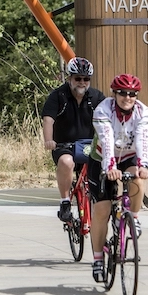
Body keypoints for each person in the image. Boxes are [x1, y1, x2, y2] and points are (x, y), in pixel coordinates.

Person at [87, 73, 148, 284]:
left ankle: (132, 218)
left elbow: (144, 139)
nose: (128, 97)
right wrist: (109, 167)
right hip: (101, 158)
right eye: (123, 93)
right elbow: (106, 140)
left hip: (128, 156)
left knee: (137, 180)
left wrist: (143, 165)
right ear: (114, 93)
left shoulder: (143, 112)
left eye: (132, 94)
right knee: (102, 209)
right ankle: (98, 258)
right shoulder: (103, 110)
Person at [41, 57, 106, 222]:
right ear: (69, 78)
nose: (82, 82)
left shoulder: (97, 97)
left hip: (90, 146)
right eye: (78, 78)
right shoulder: (58, 96)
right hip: (65, 146)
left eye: (86, 79)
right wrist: (49, 140)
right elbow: (48, 119)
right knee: (67, 162)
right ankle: (65, 202)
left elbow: (108, 118)